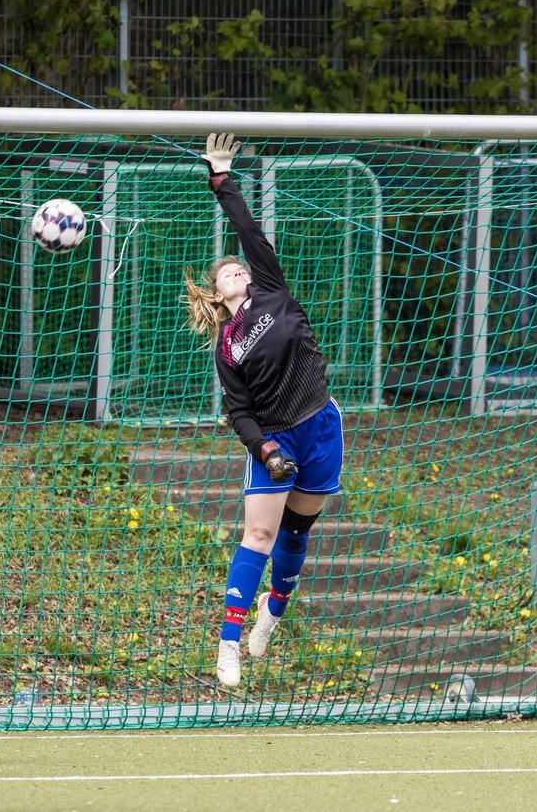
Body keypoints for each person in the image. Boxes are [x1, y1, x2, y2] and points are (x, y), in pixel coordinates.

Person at [181, 133, 344, 688]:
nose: (239, 272)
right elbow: (239, 411)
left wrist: (222, 179)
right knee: (258, 538)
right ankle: (228, 646)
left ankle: (272, 614)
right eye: (228, 274)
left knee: (298, 533)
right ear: (216, 293)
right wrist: (264, 448)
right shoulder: (228, 344)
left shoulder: (272, 291)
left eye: (241, 269)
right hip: (276, 437)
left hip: (321, 422)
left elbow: (250, 234)